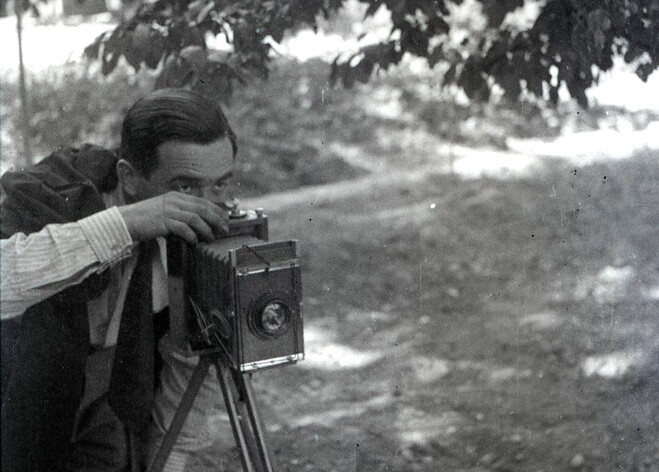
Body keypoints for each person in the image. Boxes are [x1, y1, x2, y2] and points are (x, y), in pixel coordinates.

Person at [1, 88, 240, 472]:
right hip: (21, 383)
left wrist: (170, 460)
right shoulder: (53, 191)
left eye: (220, 184)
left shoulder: (207, 231)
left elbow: (192, 353)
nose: (206, 204)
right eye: (184, 187)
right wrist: (125, 225)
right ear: (128, 176)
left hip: (110, 388)